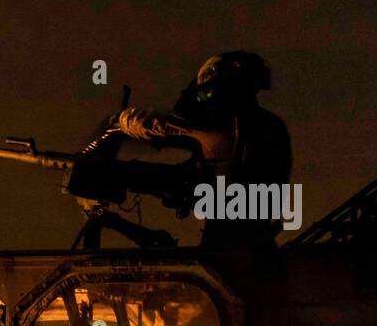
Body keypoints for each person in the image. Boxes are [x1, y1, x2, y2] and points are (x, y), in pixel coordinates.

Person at [110, 51, 292, 249]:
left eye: (207, 93)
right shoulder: (270, 126)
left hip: (227, 244)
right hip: (258, 239)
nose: (205, 101)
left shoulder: (221, 126)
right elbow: (209, 172)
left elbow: (161, 126)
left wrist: (121, 119)